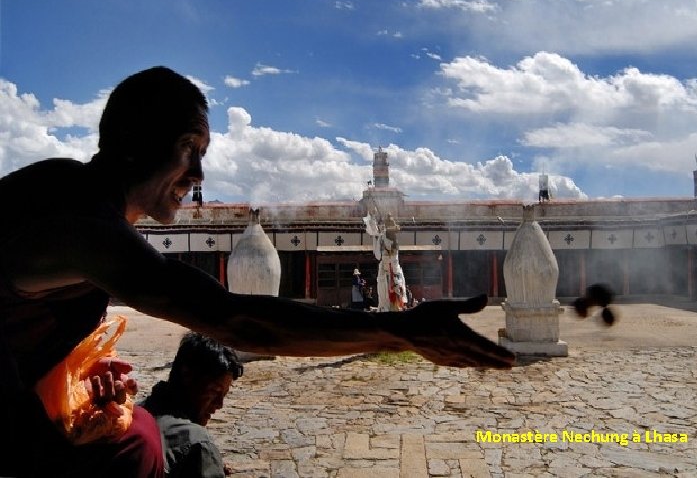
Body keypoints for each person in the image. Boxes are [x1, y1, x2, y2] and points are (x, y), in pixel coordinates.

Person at [0, 66, 514, 476]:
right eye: (189, 149)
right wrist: (398, 332)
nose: (198, 175)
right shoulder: (78, 223)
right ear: (135, 140)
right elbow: (233, 319)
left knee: (144, 440)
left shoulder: (72, 195)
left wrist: (77, 372)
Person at [140, 332, 242, 478]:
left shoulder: (133, 413)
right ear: (187, 376)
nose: (219, 404)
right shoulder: (196, 443)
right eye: (214, 391)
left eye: (224, 394)